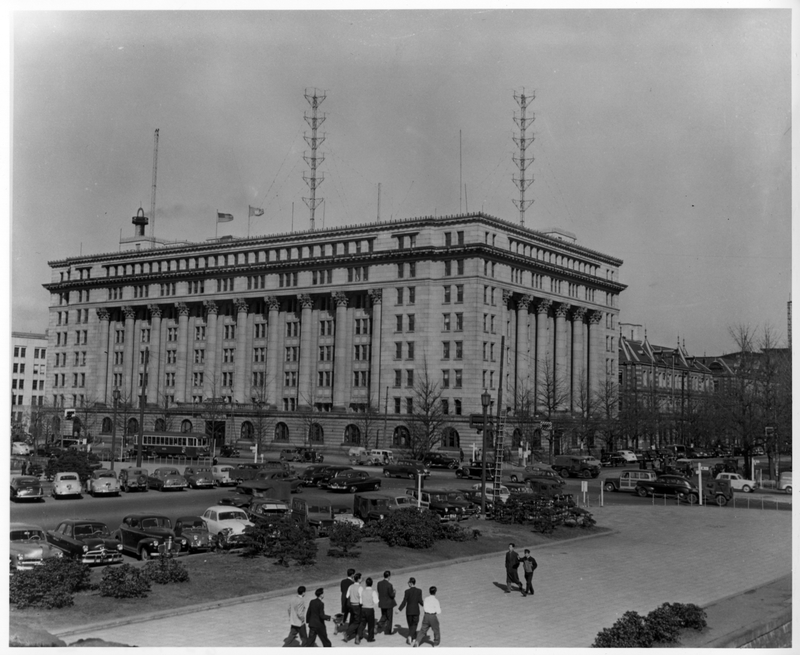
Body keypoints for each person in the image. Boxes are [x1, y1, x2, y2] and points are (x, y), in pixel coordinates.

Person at [398, 577, 424, 645]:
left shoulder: (407, 591)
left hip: (409, 611)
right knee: (414, 625)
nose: (407, 584)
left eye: (408, 583)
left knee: (410, 625)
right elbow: (420, 601)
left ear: (411, 583)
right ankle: (412, 637)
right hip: (416, 611)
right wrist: (426, 606)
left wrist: (399, 609)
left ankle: (411, 637)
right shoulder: (419, 591)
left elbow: (404, 602)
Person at [357, 576, 379, 644]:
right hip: (370, 609)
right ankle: (370, 638)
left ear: (366, 584)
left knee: (362, 623)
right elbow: (376, 601)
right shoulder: (373, 592)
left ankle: (358, 635)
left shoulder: (363, 591)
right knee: (371, 624)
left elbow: (360, 602)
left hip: (363, 609)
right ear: (372, 584)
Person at [343, 573, 363, 643]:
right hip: (357, 605)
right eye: (361, 578)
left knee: (355, 619)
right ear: (359, 579)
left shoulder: (350, 586)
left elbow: (347, 596)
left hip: (351, 605)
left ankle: (357, 635)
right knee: (358, 621)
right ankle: (348, 632)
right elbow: (361, 598)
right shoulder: (360, 587)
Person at [376, 569, 397, 636]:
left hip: (382, 602)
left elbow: (379, 591)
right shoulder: (389, 585)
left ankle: (379, 624)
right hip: (388, 603)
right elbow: (391, 595)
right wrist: (394, 592)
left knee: (384, 615)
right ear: (389, 576)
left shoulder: (379, 583)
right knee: (389, 618)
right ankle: (387, 631)